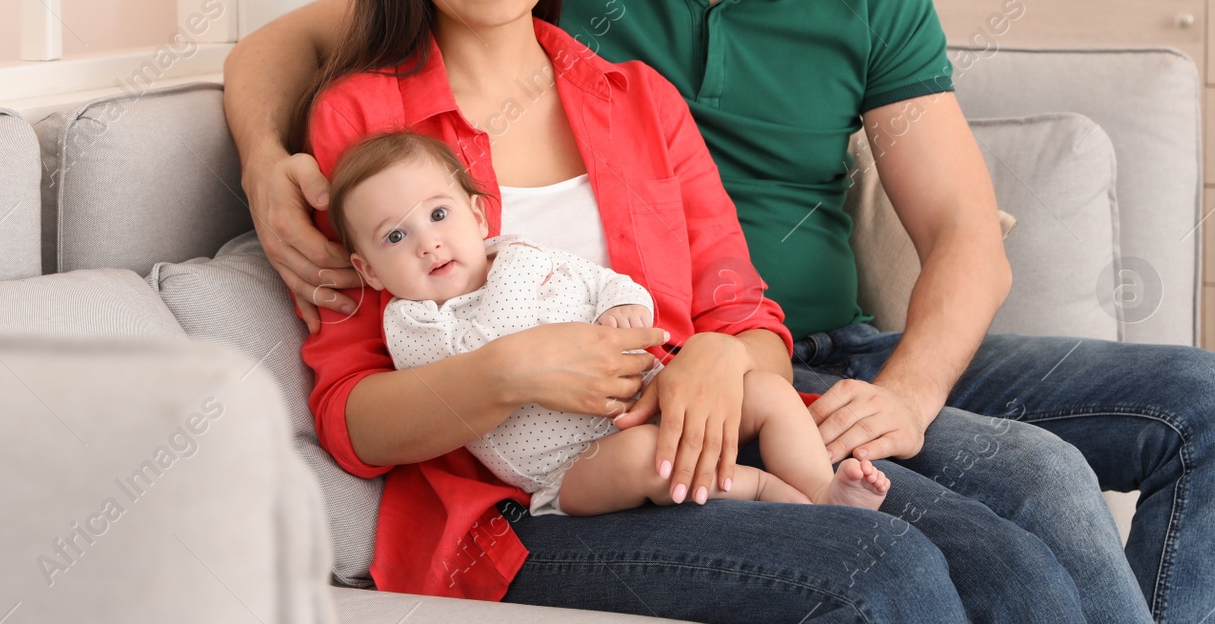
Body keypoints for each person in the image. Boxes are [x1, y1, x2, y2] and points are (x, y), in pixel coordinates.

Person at [226, 0, 1215, 624]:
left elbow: (953, 229)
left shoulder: (717, 48)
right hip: (571, 471)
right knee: (981, 522)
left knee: (1182, 428)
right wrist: (266, 160)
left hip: (765, 369)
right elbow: (315, 40)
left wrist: (873, 389)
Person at [259, 0, 1088, 624]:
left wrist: (723, 357)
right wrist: (509, 371)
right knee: (886, 565)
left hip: (697, 435)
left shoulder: (637, 101)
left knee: (1006, 562)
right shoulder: (364, 118)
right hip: (537, 508)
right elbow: (351, 417)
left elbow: (744, 309)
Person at [325, 129, 892, 518]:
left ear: (477, 214)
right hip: (570, 467)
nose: (428, 242)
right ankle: (768, 490)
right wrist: (523, 324)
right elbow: (468, 371)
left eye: (439, 214)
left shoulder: (525, 253)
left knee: (767, 390)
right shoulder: (417, 322)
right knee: (651, 462)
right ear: (368, 270)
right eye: (395, 237)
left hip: (650, 394)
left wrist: (622, 309)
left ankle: (822, 487)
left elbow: (602, 282)